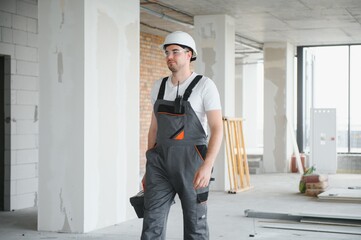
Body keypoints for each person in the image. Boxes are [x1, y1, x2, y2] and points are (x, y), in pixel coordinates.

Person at [141, 31, 223, 240]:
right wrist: (148, 168)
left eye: (175, 52)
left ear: (189, 55)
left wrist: (206, 166)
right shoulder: (158, 86)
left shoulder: (205, 86)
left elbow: (217, 129)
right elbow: (154, 129)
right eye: (167, 52)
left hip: (192, 164)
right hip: (159, 164)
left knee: (195, 226)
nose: (170, 56)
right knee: (151, 225)